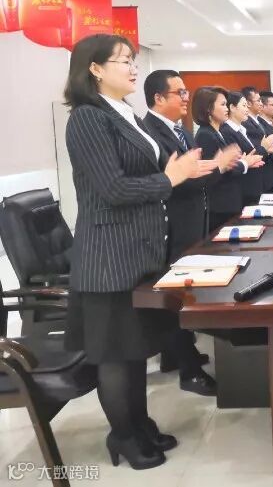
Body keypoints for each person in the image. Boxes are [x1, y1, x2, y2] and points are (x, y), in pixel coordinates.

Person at [64, 34, 215, 469]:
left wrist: (178, 172)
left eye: (133, 60)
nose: (134, 68)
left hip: (140, 250)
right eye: (124, 61)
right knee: (115, 356)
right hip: (109, 255)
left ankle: (141, 425)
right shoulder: (88, 118)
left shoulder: (125, 114)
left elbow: (153, 173)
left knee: (134, 349)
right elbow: (112, 189)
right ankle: (123, 436)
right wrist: (171, 178)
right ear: (95, 68)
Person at [142, 70, 241, 396]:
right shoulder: (149, 131)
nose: (186, 98)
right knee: (175, 297)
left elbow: (196, 178)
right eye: (179, 93)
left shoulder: (181, 131)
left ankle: (176, 355)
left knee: (182, 293)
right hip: (173, 225)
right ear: (158, 98)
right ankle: (189, 371)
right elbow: (172, 181)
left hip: (193, 220)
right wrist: (218, 165)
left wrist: (217, 166)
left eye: (186, 92)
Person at [193, 87, 261, 232]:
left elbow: (226, 165)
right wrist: (244, 163)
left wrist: (240, 161)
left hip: (229, 202)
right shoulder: (206, 135)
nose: (226, 109)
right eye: (223, 104)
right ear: (208, 109)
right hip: (220, 206)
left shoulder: (216, 132)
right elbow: (217, 171)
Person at [223, 91, 266, 205]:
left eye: (247, 106)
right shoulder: (227, 131)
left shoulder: (242, 130)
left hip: (253, 187)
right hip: (243, 191)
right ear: (232, 107)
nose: (247, 109)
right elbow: (241, 160)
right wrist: (264, 147)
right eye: (244, 105)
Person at [242, 88, 273, 193]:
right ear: (248, 103)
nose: (261, 104)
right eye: (258, 101)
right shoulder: (246, 123)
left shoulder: (257, 122)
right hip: (256, 176)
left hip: (266, 174)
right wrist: (266, 148)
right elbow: (254, 149)